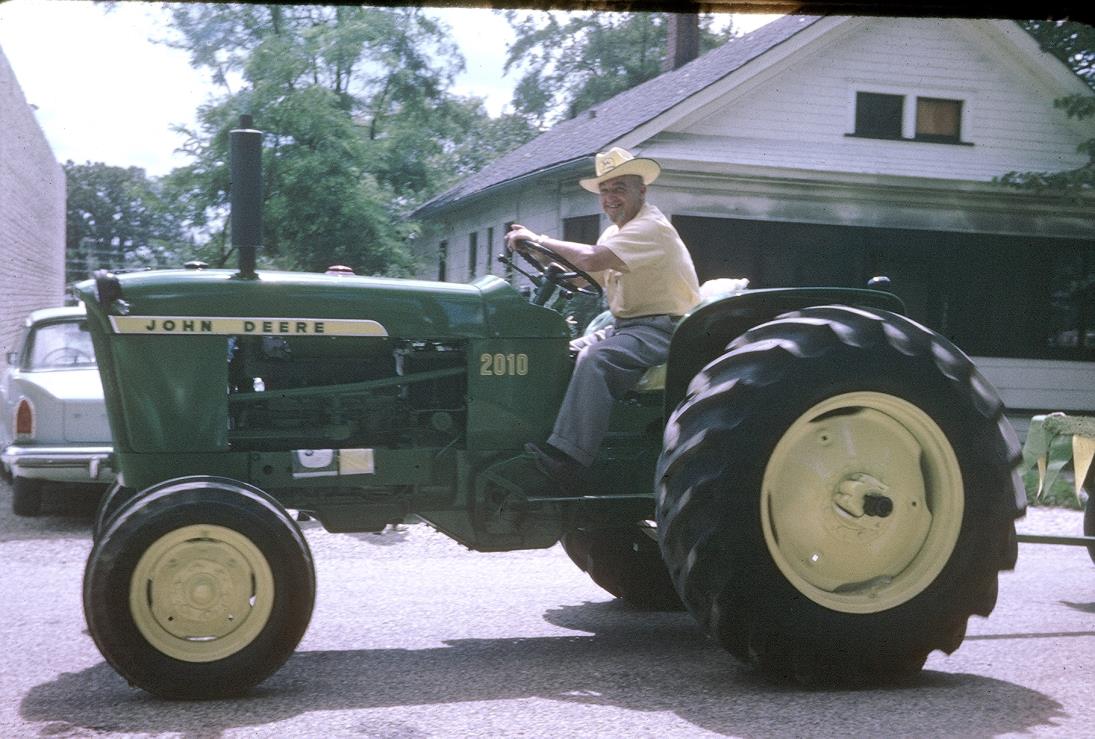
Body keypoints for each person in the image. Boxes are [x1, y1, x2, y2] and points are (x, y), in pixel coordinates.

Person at [504, 147, 701, 491]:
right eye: (605, 190)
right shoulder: (616, 233)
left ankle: (568, 461)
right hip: (626, 327)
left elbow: (593, 260)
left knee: (596, 359)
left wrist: (539, 238)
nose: (610, 198)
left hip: (664, 329)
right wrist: (535, 251)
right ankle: (534, 439)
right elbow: (582, 277)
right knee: (554, 353)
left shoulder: (651, 227)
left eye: (619, 188)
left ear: (642, 190)